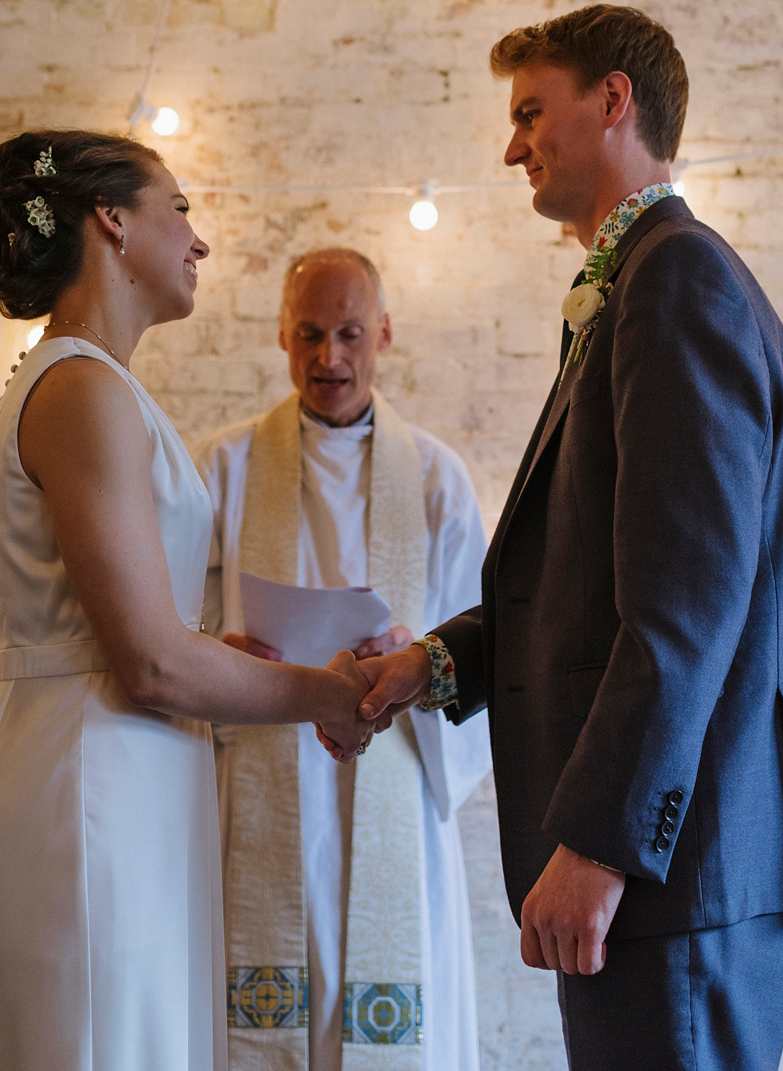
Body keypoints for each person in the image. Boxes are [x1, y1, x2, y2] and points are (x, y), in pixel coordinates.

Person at [354, 6, 783, 1071]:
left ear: (612, 100)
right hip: (679, 856)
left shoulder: (675, 277)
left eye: (529, 112)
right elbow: (583, 583)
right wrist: (433, 664)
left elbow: (688, 600)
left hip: (678, 858)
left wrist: (603, 842)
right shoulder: (638, 278)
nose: (512, 146)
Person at [0, 131, 372, 1071]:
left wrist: (226, 656)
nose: (199, 241)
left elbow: (131, 631)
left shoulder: (101, 385)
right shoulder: (81, 389)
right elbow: (150, 661)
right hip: (89, 792)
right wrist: (328, 694)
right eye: (182, 208)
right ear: (112, 221)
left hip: (127, 769)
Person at [196, 247, 492, 1070]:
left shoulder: (436, 477)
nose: (330, 358)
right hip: (257, 782)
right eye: (311, 334)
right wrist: (218, 657)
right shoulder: (224, 467)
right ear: (281, 337)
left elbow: (489, 639)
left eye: (351, 334)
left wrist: (425, 655)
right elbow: (163, 632)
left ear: (385, 334)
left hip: (392, 773)